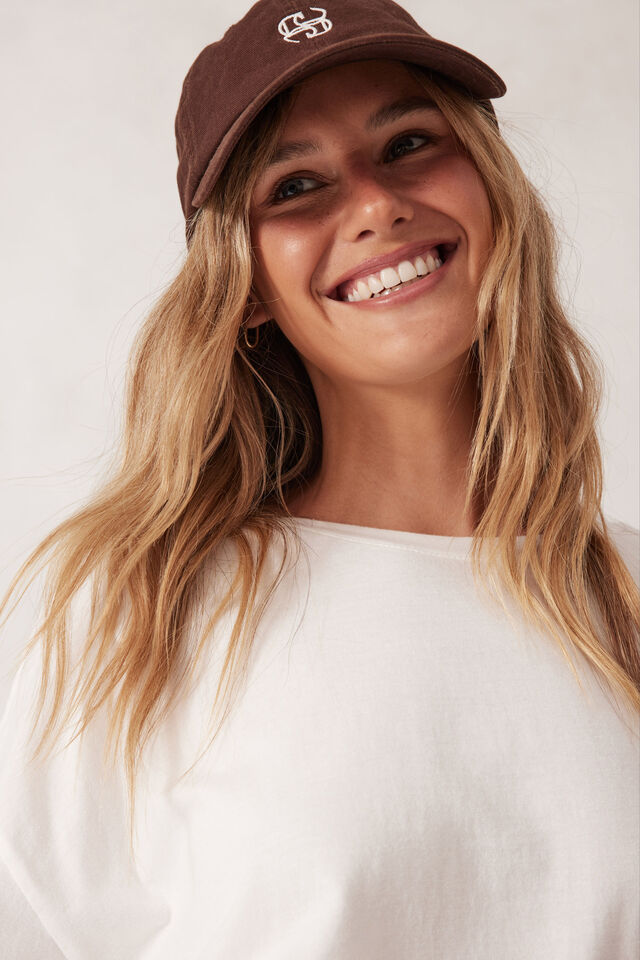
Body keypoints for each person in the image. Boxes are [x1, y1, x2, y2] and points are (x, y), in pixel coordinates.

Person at [0, 0, 638, 956]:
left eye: (409, 143)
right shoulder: (137, 609)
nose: (376, 204)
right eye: (295, 186)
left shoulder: (624, 591)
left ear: (491, 187)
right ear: (248, 285)